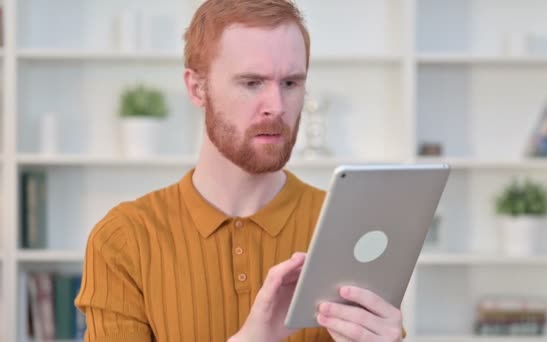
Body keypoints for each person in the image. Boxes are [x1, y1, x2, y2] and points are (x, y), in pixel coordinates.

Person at [74, 0, 406, 341]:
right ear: (196, 88)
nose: (276, 107)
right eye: (252, 83)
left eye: (291, 83)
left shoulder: (349, 227)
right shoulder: (123, 240)